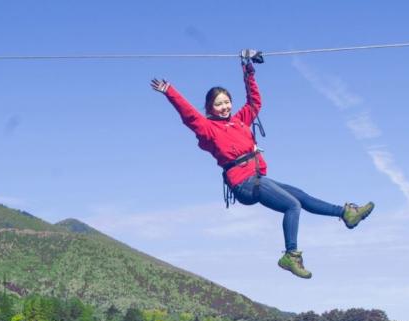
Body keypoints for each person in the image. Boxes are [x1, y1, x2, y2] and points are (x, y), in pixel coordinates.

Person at [150, 57, 374, 279]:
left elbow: (254, 102)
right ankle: (290, 256)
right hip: (243, 183)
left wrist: (247, 70)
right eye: (218, 104)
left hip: (256, 177)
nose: (224, 107)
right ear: (210, 108)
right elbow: (189, 115)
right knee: (292, 205)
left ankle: (346, 214)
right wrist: (170, 91)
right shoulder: (208, 129)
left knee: (301, 197)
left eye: (226, 102)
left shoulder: (239, 121)